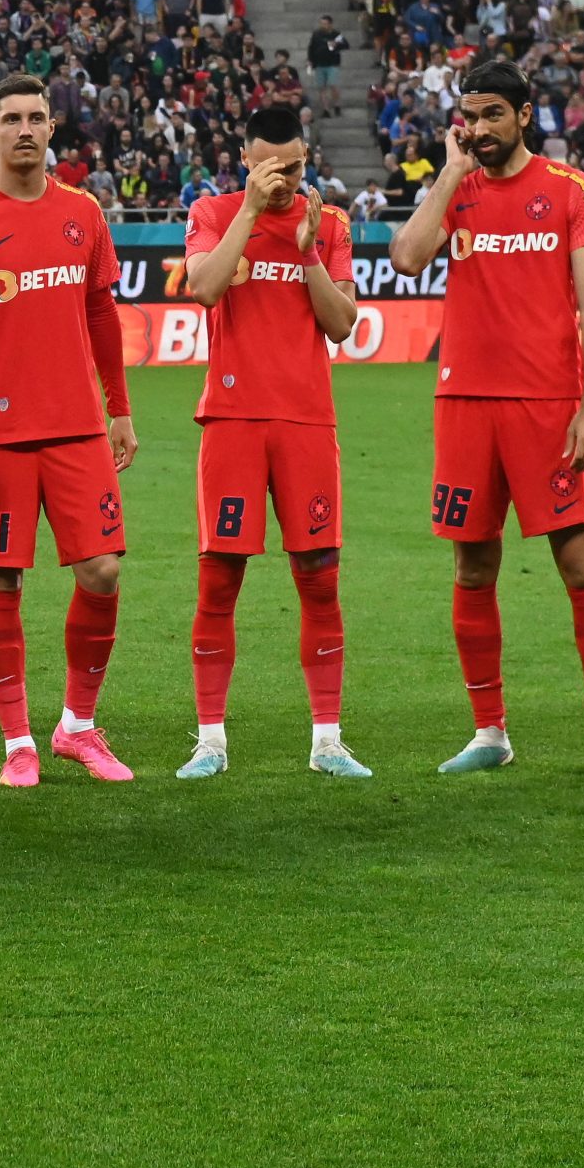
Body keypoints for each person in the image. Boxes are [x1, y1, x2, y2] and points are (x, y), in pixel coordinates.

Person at [386, 60, 584, 780]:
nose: (481, 128)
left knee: (581, 564)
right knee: (472, 565)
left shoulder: (571, 191)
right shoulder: (457, 188)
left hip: (549, 407)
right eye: (471, 115)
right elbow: (405, 259)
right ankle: (490, 731)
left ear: (525, 116)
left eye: (495, 114)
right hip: (464, 404)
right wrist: (447, 173)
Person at [0, 75, 137, 786]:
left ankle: (77, 725)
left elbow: (102, 314)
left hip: (77, 427)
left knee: (102, 571)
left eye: (36, 118)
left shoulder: (82, 213)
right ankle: (17, 740)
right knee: (1, 579)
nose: (24, 129)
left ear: (52, 129)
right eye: (10, 118)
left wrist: (121, 408)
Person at [176, 105, 368, 779]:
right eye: (268, 166)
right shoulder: (212, 210)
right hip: (231, 419)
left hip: (307, 422)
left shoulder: (331, 224)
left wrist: (309, 250)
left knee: (320, 580)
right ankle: (210, 741)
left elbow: (342, 325)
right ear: (245, 159)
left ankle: (327, 742)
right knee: (219, 581)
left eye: (292, 165)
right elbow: (201, 288)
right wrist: (251, 213)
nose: (282, 178)